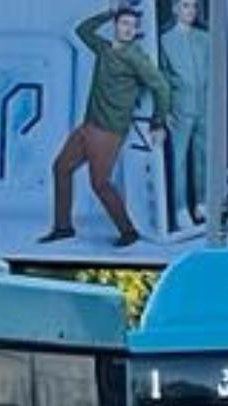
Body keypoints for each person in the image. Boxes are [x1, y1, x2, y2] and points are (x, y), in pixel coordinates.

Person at [40, 6, 171, 250]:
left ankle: (128, 231)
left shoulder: (136, 58)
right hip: (88, 125)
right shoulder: (104, 48)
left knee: (99, 183)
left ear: (137, 30)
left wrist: (157, 121)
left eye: (133, 26)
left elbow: (162, 87)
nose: (128, 29)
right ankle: (63, 227)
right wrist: (107, 14)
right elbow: (82, 30)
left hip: (109, 131)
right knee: (61, 168)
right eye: (123, 24)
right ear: (116, 26)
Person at [161, 0, 210, 227]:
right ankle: (180, 209)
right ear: (175, 9)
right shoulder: (165, 41)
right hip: (180, 109)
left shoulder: (205, 39)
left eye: (193, 6)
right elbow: (162, 80)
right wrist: (165, 111)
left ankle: (202, 203)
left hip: (205, 108)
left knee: (203, 157)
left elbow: (212, 75)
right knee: (179, 160)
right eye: (185, 5)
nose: (190, 11)